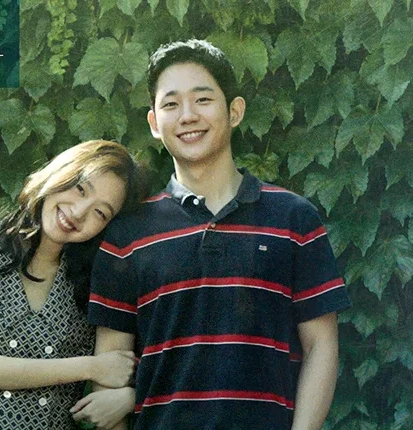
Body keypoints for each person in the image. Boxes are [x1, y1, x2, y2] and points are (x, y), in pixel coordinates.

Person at [81, 40, 351, 429]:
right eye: (171, 104)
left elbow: (321, 347)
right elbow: (109, 369)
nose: (188, 115)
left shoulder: (295, 219)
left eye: (203, 99)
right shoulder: (127, 236)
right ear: (154, 123)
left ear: (234, 111)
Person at [0, 140, 148, 429]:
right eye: (80, 189)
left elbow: (116, 379)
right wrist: (91, 367)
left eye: (100, 213)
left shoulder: (93, 283)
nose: (79, 212)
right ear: (58, 174)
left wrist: (130, 397)